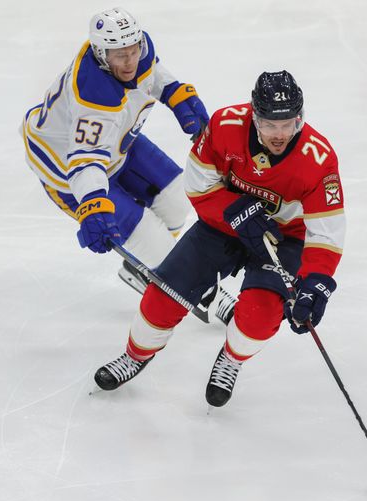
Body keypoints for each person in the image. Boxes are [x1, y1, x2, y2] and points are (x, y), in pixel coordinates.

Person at [92, 70, 346, 407]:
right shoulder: (225, 126)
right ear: (254, 116)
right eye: (270, 124)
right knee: (163, 294)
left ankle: (231, 358)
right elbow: (197, 186)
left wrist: (315, 281)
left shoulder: (318, 159)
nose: (280, 134)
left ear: (301, 119)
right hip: (223, 224)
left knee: (261, 316)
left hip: (283, 239)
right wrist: (235, 211)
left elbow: (326, 231)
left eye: (289, 124)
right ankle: (136, 356)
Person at [20, 7, 209, 290]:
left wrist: (176, 94)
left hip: (119, 144)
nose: (130, 60)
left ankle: (147, 266)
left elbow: (152, 74)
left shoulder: (135, 54)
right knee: (154, 244)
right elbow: (85, 162)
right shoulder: (93, 98)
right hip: (67, 169)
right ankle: (156, 268)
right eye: (121, 55)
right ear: (101, 54)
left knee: (177, 200)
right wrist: (94, 203)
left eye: (133, 50)